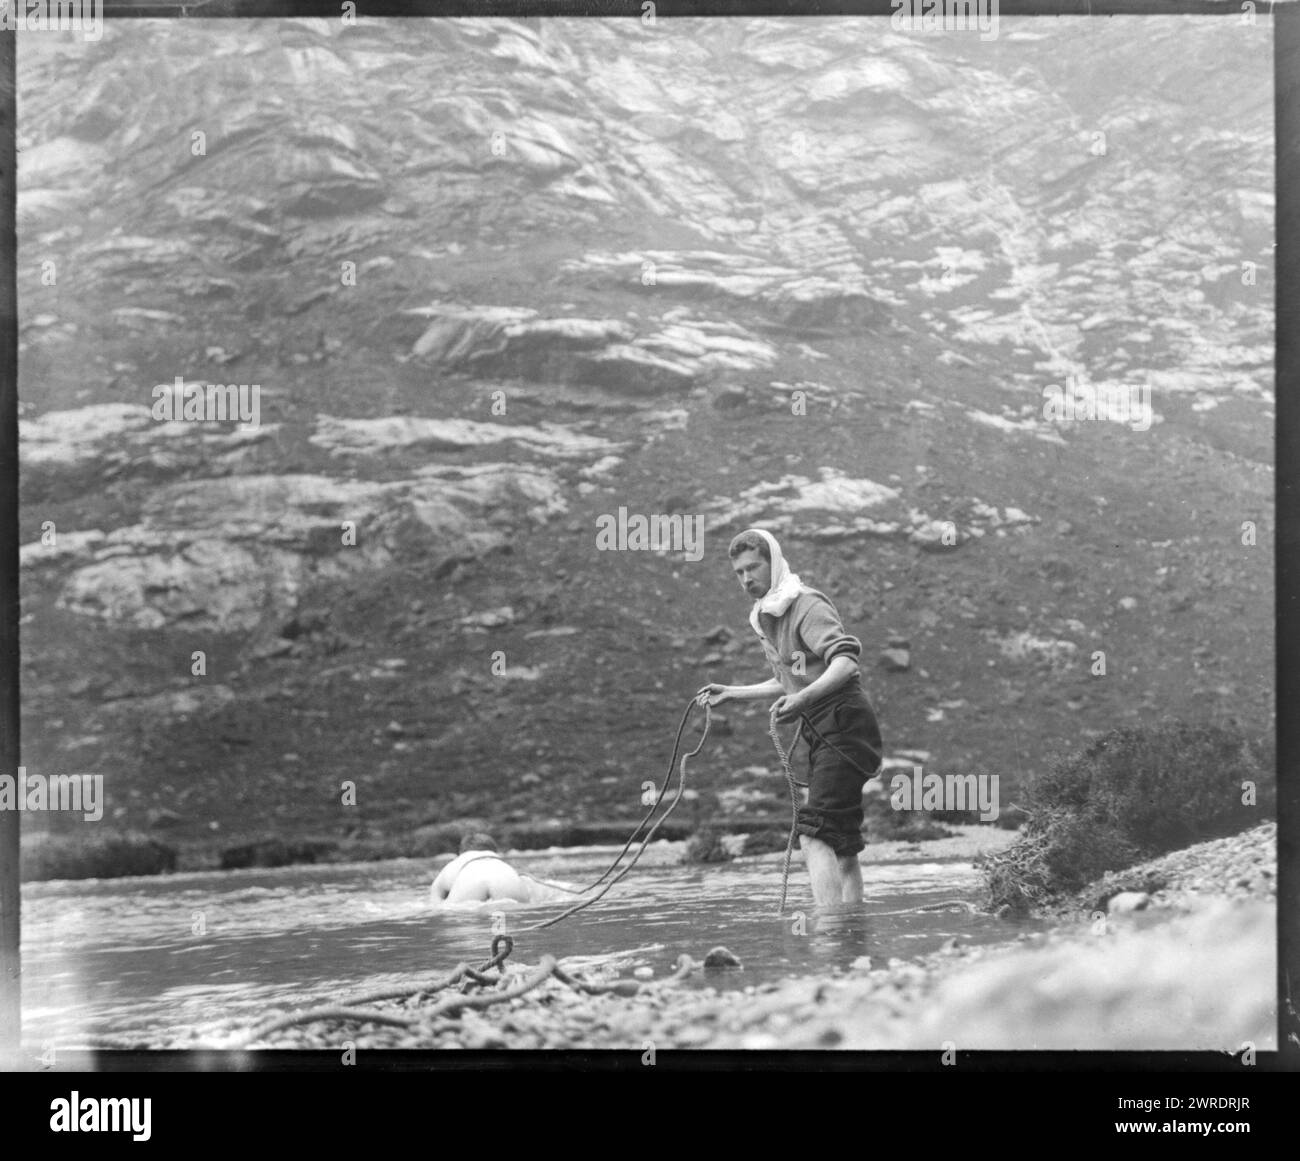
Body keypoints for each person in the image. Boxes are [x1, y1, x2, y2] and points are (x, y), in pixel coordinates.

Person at [697, 528, 882, 910]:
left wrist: (804, 699)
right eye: (739, 572)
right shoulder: (768, 615)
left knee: (815, 836)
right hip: (822, 727)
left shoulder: (806, 604)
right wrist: (733, 693)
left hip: (845, 720)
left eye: (753, 567)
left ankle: (830, 932)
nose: (747, 578)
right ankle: (851, 932)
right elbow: (788, 679)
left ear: (774, 563)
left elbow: (845, 662)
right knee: (842, 842)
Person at [429, 833, 576, 908]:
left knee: (453, 912)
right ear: (494, 851)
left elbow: (434, 902)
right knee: (502, 920)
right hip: (507, 881)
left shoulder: (454, 864)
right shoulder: (501, 864)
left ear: (461, 852)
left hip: (470, 882)